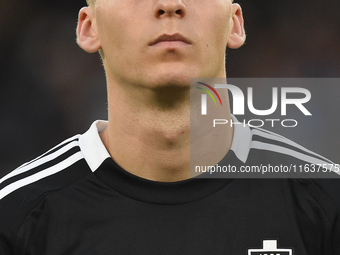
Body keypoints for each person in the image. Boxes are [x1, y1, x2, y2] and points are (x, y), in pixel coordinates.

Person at [0, 0, 339, 254]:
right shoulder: (14, 218)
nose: (169, 5)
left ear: (235, 24)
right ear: (89, 29)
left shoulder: (326, 203)